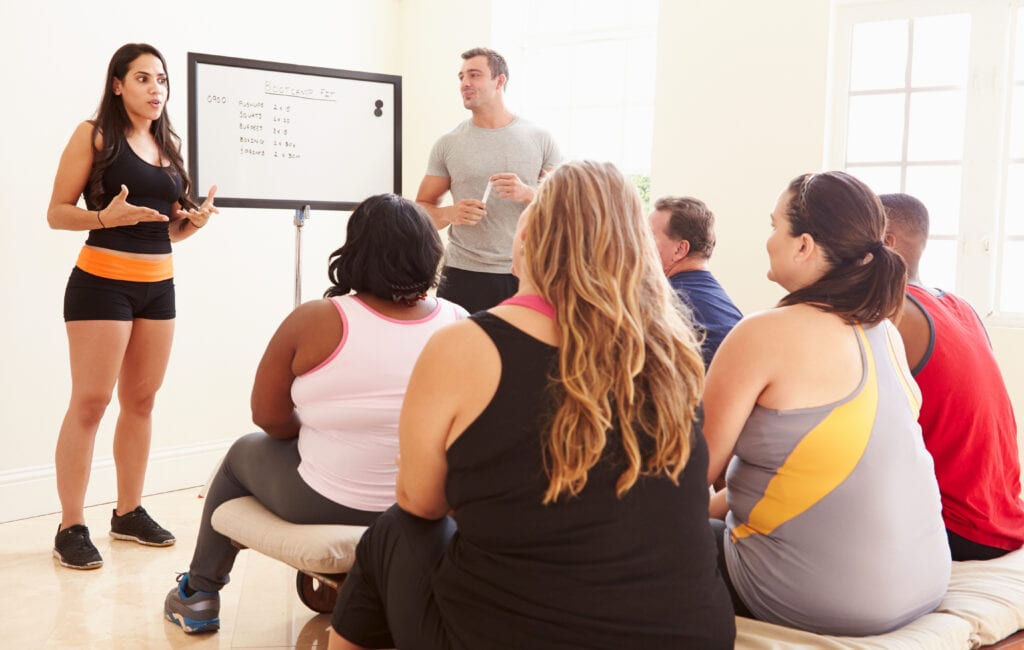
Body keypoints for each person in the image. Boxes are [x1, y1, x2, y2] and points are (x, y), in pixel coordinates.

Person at [328, 161, 736, 650]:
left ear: (527, 237)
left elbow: (421, 501)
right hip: (693, 635)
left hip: (517, 631)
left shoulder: (465, 346)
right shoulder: (675, 353)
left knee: (394, 531)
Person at [163, 193, 467, 634]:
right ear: (429, 252)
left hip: (328, 497)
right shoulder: (460, 321)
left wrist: (314, 429)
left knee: (239, 455)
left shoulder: (316, 319)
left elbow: (267, 418)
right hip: (424, 500)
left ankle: (199, 594)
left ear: (357, 251)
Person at [703, 172, 950, 636]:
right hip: (926, 581)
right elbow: (801, 481)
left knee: (635, 543)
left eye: (775, 225)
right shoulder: (884, 332)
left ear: (804, 245)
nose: (768, 240)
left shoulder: (762, 334)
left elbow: (688, 474)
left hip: (820, 599)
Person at [46, 43, 219, 570]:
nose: (156, 89)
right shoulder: (95, 135)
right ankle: (71, 525)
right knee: (91, 403)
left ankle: (128, 513)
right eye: (143, 79)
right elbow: (56, 213)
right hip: (101, 284)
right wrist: (102, 219)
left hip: (158, 285)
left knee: (141, 402)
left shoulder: (169, 146)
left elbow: (163, 230)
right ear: (118, 84)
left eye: (162, 80)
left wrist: (191, 224)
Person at [881, 192, 1024, 562]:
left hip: (958, 529)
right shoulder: (960, 306)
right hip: (1005, 520)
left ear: (885, 240)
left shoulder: (894, 312)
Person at [416, 46, 562, 314]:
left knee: (524, 356)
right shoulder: (448, 144)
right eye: (461, 77)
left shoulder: (540, 138)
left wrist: (528, 193)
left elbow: (565, 206)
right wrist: (450, 213)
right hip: (463, 274)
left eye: (474, 75)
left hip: (526, 273)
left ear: (500, 80)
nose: (465, 84)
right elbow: (421, 210)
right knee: (461, 355)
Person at [649, 195, 742, 366]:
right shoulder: (725, 306)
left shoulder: (663, 304)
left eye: (650, 236)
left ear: (680, 249)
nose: (641, 244)